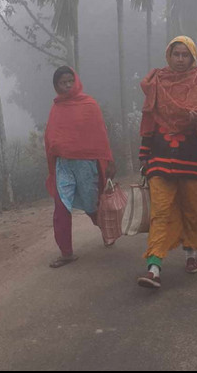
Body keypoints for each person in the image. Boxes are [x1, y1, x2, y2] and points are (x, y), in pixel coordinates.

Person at [136, 36, 197, 289]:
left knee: (192, 210)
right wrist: (144, 155)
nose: (180, 59)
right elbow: (149, 119)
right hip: (160, 157)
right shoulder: (157, 82)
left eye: (186, 55)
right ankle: (154, 266)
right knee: (160, 212)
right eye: (176, 53)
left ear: (193, 57)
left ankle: (190, 252)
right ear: (168, 55)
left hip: (192, 158)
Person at [44, 66, 116, 268]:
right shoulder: (57, 107)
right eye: (62, 82)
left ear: (76, 81)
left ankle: (106, 229)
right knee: (61, 207)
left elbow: (100, 135)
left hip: (86, 164)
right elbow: (50, 136)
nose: (67, 86)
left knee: (91, 204)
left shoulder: (89, 104)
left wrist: (109, 159)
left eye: (70, 81)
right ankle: (66, 252)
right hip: (63, 165)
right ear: (56, 85)